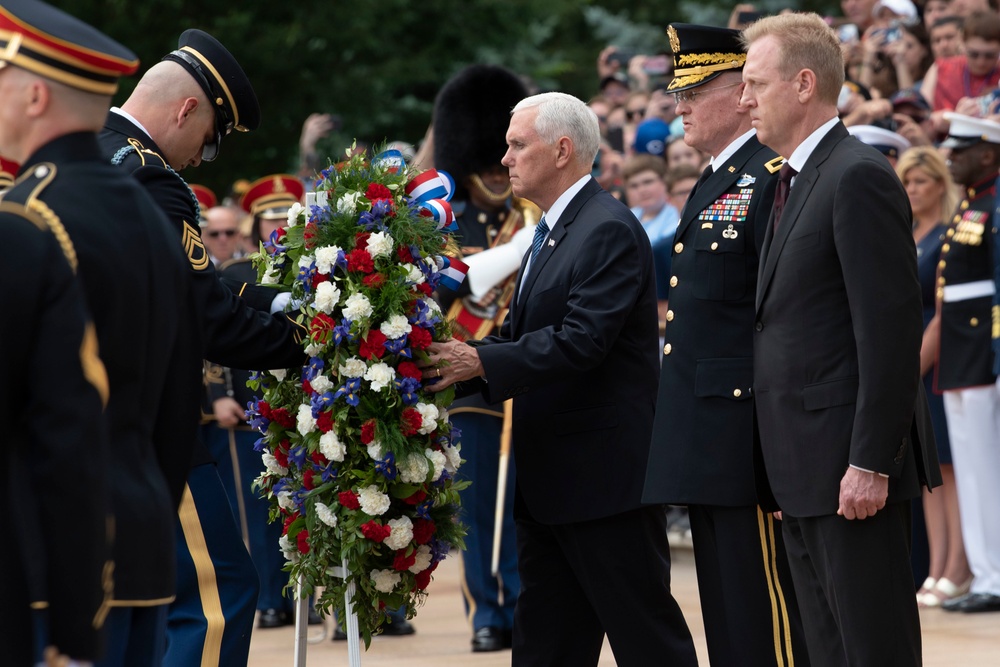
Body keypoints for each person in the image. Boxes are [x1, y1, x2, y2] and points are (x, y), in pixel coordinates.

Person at [421, 92, 697, 667]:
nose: (506, 157)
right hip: (552, 484)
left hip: (605, 486)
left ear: (563, 150)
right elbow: (523, 334)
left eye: (518, 144)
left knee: (647, 641)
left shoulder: (607, 229)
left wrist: (480, 363)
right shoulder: (553, 230)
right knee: (546, 647)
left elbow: (582, 341)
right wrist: (444, 364)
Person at [0, 1, 202, 664]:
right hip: (141, 546)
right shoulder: (151, 213)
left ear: (34, 94)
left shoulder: (27, 216)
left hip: (44, 565)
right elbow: (178, 400)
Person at [97, 30, 306, 667]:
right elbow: (205, 321)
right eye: (210, 135)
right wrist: (316, 341)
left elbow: (191, 285)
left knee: (131, 609)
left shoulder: (85, 155)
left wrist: (260, 294)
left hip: (83, 426)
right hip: (150, 431)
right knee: (218, 596)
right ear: (187, 110)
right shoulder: (154, 180)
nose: (201, 156)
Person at [740, 13, 939, 665]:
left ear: (803, 84)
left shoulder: (857, 174)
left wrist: (871, 460)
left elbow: (888, 330)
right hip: (800, 469)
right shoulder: (791, 179)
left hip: (849, 471)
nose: (744, 99)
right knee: (826, 651)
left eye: (754, 83)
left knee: (870, 647)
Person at [642, 23, 808, 667]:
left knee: (766, 624)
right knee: (730, 620)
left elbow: (779, 316)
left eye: (691, 90)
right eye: (676, 91)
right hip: (709, 437)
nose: (677, 105)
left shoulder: (769, 177)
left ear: (740, 93)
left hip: (749, 439)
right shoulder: (716, 178)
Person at [430, 64, 528, 652]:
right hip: (470, 384)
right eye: (487, 163)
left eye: (503, 162)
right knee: (478, 506)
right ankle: (487, 610)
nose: (497, 173)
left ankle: (523, 603)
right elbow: (435, 295)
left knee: (524, 506)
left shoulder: (533, 217)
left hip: (528, 372)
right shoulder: (446, 223)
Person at [894, 146, 973, 607]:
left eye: (921, 181)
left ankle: (958, 567)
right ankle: (937, 567)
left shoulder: (946, 235)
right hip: (911, 360)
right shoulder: (908, 231)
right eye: (907, 182)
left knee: (950, 469)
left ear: (940, 185)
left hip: (935, 362)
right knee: (929, 473)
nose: (913, 190)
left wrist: (908, 369)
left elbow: (943, 316)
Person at [935, 113, 1000, 613]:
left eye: (961, 151)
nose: (951, 157)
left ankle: (994, 575)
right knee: (971, 465)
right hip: (960, 349)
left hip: (982, 349)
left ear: (990, 155)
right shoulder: (972, 206)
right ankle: (984, 573)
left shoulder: (995, 205)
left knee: (986, 467)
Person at [623, 153, 676, 244]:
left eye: (648, 182)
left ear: (664, 181)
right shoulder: (626, 217)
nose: (642, 190)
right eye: (634, 186)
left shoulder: (677, 215)